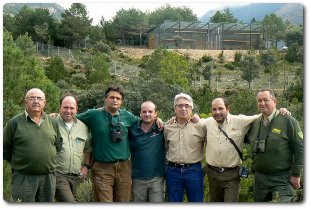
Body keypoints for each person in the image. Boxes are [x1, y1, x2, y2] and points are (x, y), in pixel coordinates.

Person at [76, 86, 163, 202]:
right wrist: (55, 116)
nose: (115, 100)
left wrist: (157, 120)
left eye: (118, 98)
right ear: (105, 99)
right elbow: (72, 118)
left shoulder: (127, 116)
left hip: (124, 167)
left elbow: (145, 119)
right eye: (112, 97)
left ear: (121, 101)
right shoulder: (93, 115)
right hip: (102, 168)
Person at [3, 88, 62, 202]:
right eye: (32, 98)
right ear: (26, 102)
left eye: (39, 98)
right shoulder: (14, 123)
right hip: (23, 178)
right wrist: (22, 162)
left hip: (48, 178)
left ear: (44, 102)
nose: (36, 101)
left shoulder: (53, 122)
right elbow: (5, 149)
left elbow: (57, 145)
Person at [245, 90, 303, 202]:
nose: (262, 103)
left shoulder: (288, 121)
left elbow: (300, 148)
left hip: (282, 179)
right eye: (259, 101)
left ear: (275, 101)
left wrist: (296, 174)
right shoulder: (254, 123)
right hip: (260, 180)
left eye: (266, 100)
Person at [164, 93, 206, 202]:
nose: (183, 108)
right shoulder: (167, 127)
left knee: (196, 202)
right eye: (180, 106)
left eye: (187, 106)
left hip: (194, 171)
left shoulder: (200, 126)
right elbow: (164, 147)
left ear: (191, 108)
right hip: (173, 171)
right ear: (175, 108)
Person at [54, 94, 92, 202]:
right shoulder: (51, 124)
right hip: (57, 174)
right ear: (59, 107)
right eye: (65, 107)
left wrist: (86, 166)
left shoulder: (83, 127)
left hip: (76, 177)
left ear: (76, 109)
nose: (68, 111)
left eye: (72, 108)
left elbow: (88, 149)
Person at [128, 101, 166, 202]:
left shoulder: (162, 129)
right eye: (144, 112)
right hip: (137, 178)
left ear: (155, 114)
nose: (147, 114)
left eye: (150, 111)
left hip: (157, 178)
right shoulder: (131, 129)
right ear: (140, 113)